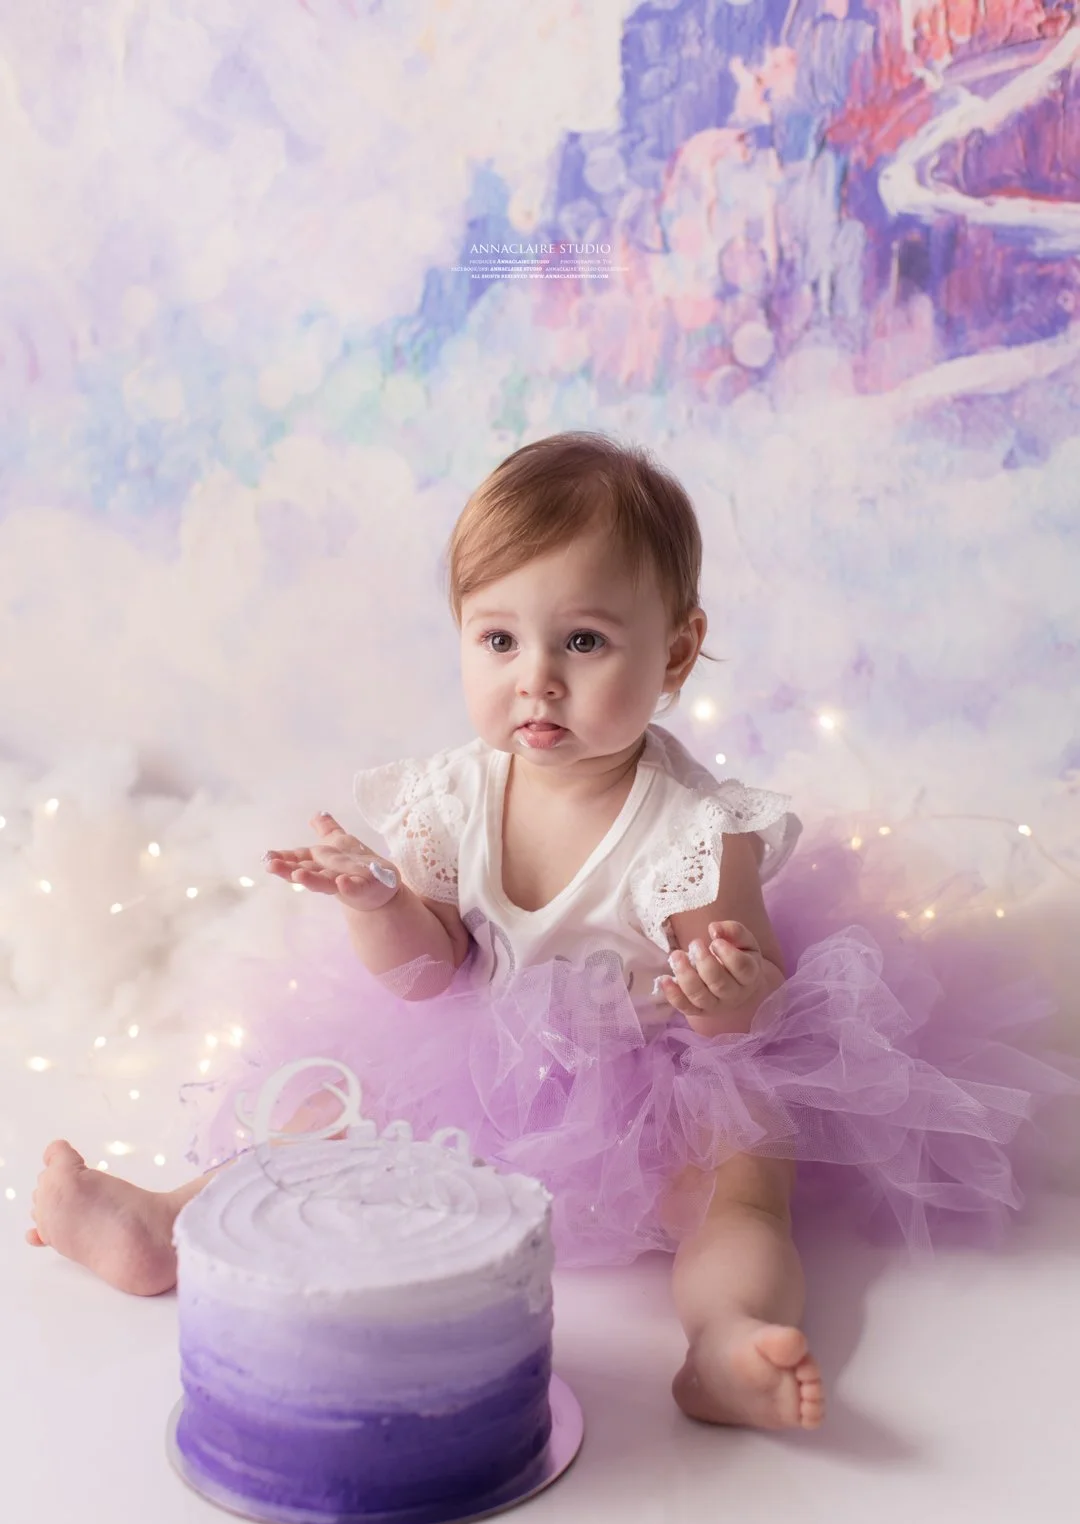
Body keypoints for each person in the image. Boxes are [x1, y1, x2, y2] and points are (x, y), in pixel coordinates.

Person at [25, 431, 1076, 1433]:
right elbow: (426, 979)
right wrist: (384, 905)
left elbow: (754, 999)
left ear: (677, 650)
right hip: (480, 1047)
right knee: (328, 1118)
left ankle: (727, 1335)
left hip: (662, 1063)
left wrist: (724, 995)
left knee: (743, 1187)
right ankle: (168, 1225)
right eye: (499, 639)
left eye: (583, 640)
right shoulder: (451, 798)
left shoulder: (698, 831)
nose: (537, 678)